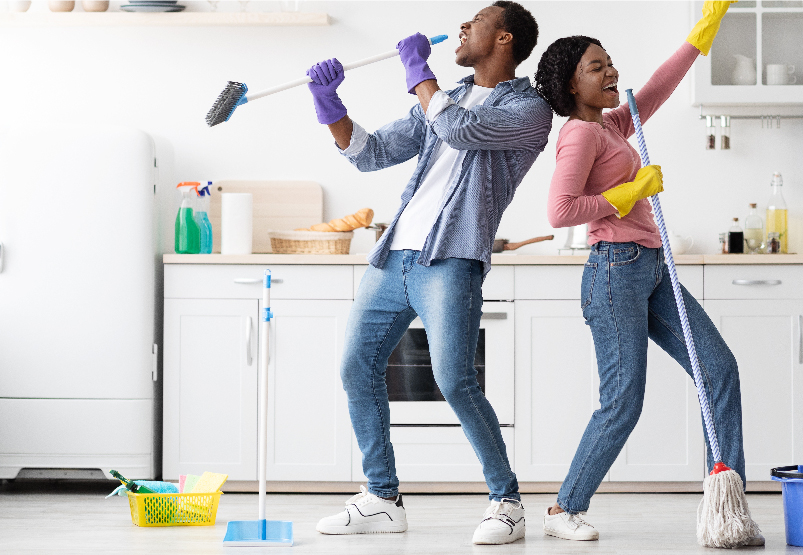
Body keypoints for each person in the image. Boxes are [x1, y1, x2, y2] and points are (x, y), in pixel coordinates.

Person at [304, 1, 550, 545]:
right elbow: (370, 153)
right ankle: (381, 498)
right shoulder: (447, 98)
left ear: (505, 38)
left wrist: (420, 73)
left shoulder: (529, 110)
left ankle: (506, 502)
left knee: (454, 380)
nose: (462, 26)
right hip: (396, 255)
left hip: (451, 258)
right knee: (355, 367)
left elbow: (460, 131)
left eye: (477, 20)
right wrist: (329, 104)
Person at [533, 1, 761, 546]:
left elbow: (657, 86)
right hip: (614, 274)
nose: (611, 71)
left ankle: (727, 505)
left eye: (610, 62)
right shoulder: (580, 135)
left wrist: (700, 36)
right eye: (596, 67)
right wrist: (628, 194)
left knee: (719, 370)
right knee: (624, 400)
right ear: (571, 85)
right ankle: (565, 507)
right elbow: (560, 211)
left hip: (649, 269)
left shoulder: (610, 124)